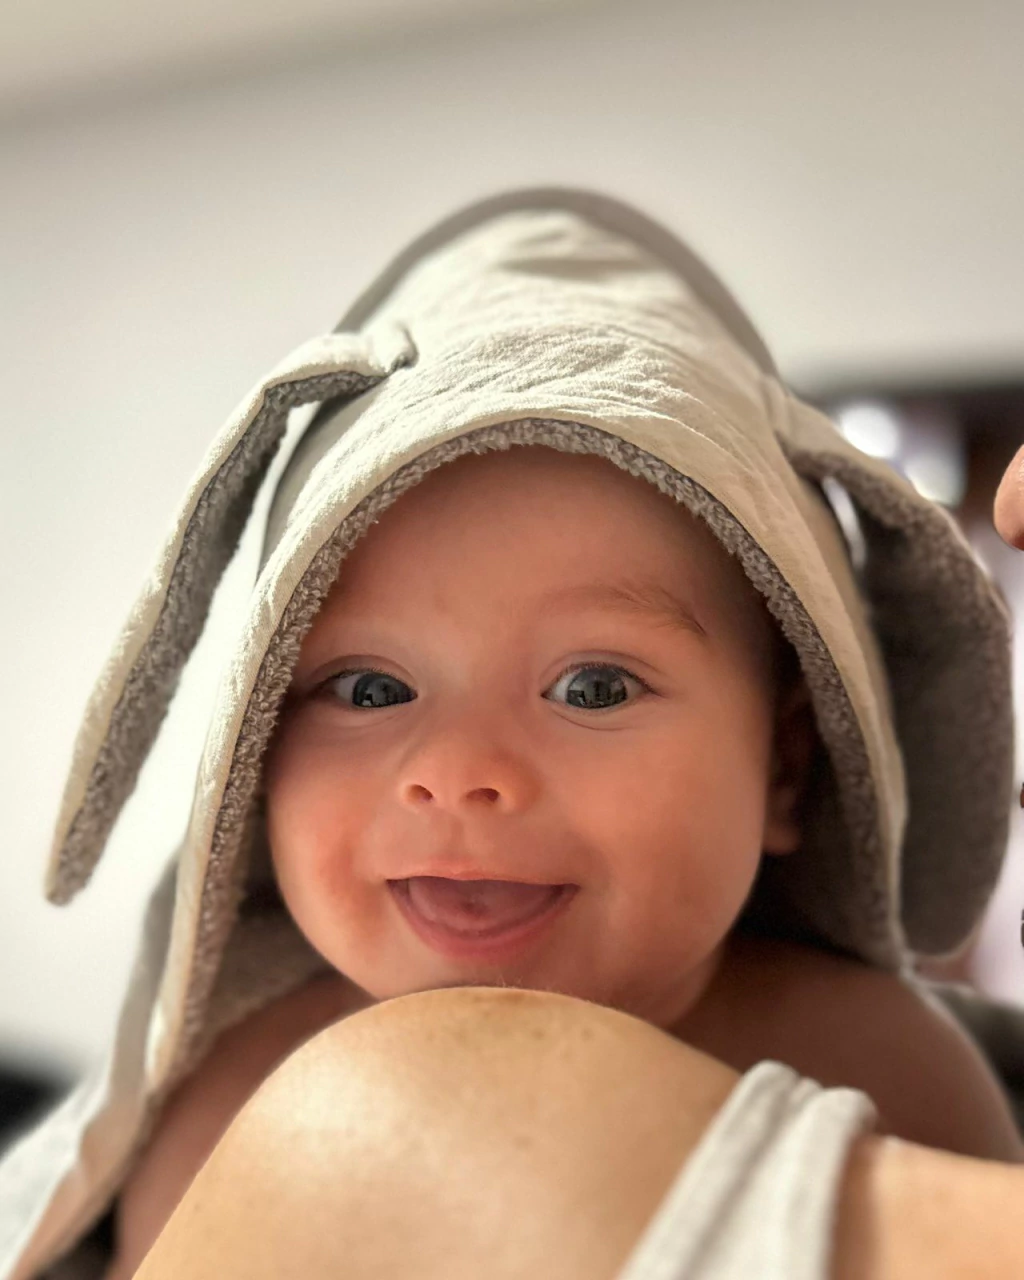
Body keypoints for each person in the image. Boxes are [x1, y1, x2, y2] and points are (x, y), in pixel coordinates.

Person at [2, 187, 1022, 1280]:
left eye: (592, 686)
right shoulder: (231, 1107)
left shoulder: (886, 1071)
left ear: (784, 768)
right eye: (368, 689)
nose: (457, 774)